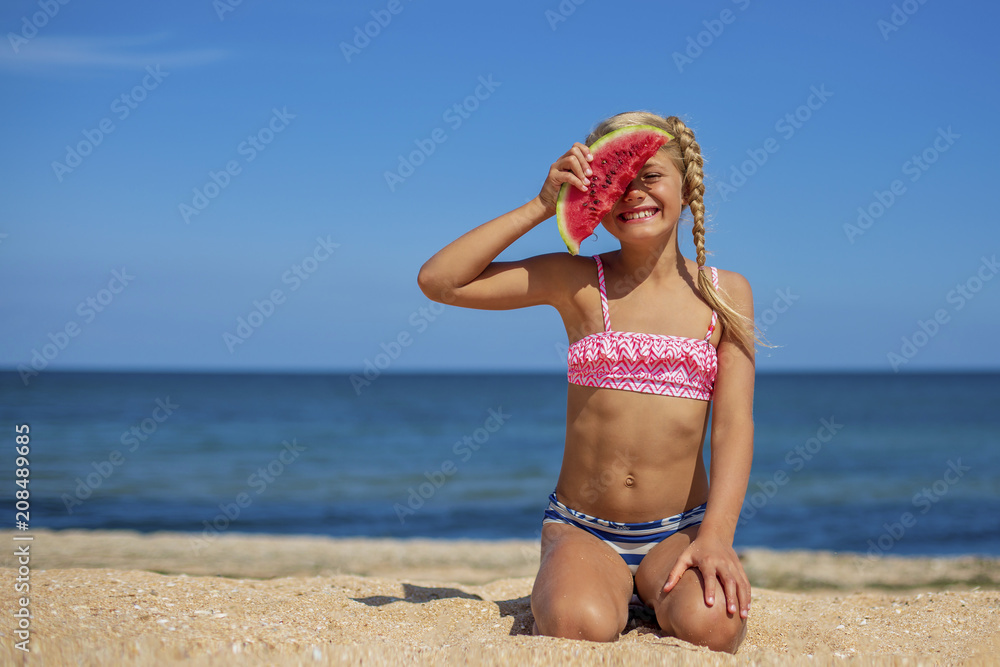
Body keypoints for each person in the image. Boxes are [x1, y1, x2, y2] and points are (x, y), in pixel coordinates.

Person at [417, 111, 758, 653]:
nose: (633, 193)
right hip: (585, 528)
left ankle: (649, 589)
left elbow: (734, 425)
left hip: (679, 531)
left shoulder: (725, 293)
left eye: (650, 175)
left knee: (714, 629)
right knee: (578, 627)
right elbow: (439, 281)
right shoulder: (577, 281)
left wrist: (717, 537)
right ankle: (592, 579)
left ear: (687, 186)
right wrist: (539, 204)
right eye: (614, 182)